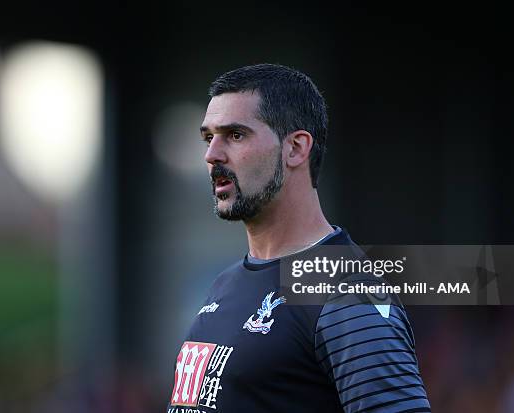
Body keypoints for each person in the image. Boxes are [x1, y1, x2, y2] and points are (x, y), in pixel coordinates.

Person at [166, 64, 430, 413]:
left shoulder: (345, 291)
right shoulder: (224, 285)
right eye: (208, 137)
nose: (212, 154)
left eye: (235, 135)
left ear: (295, 148)